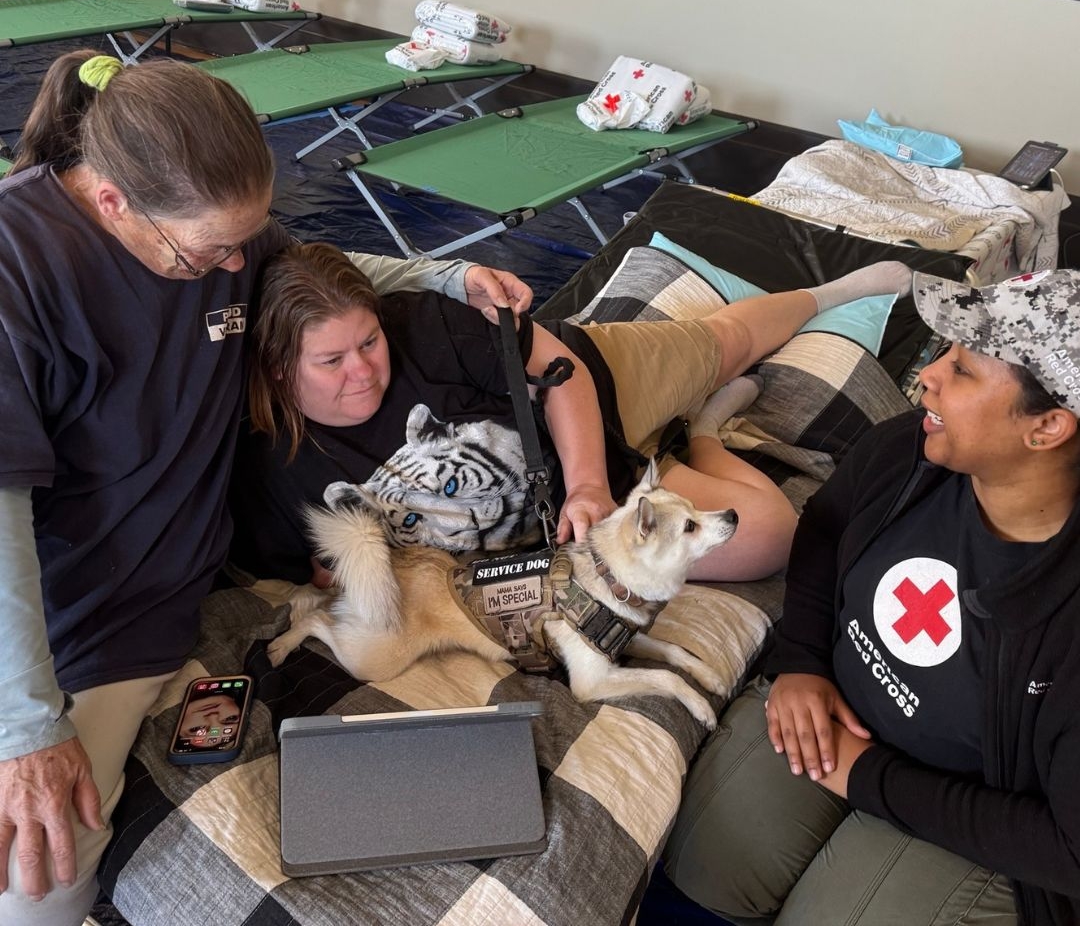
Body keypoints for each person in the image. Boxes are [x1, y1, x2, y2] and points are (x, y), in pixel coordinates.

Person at [0, 50, 531, 926]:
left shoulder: (225, 244)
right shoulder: (20, 267)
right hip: (54, 612)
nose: (233, 266)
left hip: (138, 617)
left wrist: (448, 275)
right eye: (208, 252)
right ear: (111, 203)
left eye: (246, 240)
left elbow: (316, 272)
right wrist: (24, 730)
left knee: (35, 894)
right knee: (31, 868)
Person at [663, 269, 1080, 925]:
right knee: (706, 863)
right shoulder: (910, 450)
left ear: (1047, 426)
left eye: (964, 369)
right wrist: (800, 661)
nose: (930, 376)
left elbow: (1070, 849)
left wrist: (866, 777)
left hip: (976, 807)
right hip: (836, 708)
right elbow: (825, 529)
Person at [230, 241, 913, 588]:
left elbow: (561, 372)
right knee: (770, 536)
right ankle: (702, 437)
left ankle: (830, 292)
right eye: (331, 362)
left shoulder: (424, 322)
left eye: (369, 342)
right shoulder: (275, 471)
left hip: (588, 397)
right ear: (277, 368)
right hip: (559, 539)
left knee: (724, 345)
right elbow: (323, 577)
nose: (363, 372)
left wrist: (589, 484)